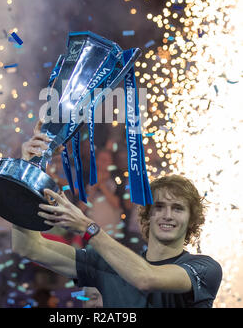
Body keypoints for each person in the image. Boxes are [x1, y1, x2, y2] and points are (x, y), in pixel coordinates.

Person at [12, 120, 222, 308]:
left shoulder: (204, 268)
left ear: (191, 219)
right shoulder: (106, 263)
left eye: (178, 208)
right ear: (147, 214)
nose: (167, 215)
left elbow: (145, 278)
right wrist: (29, 170)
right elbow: (28, 246)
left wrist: (87, 227)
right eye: (158, 207)